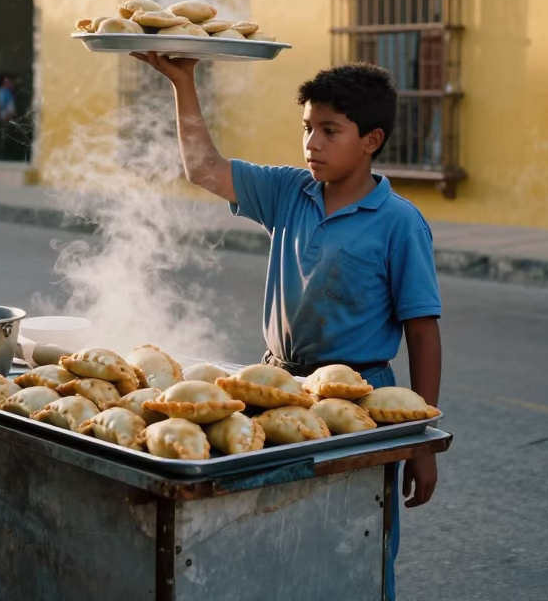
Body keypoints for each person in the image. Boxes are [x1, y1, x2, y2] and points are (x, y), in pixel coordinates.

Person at [132, 53, 441, 601]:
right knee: (275, 535)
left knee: (355, 540)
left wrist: (417, 439)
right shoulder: (288, 193)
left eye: (329, 130)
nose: (312, 144)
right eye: (307, 129)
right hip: (279, 390)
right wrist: (184, 82)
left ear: (371, 140)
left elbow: (422, 331)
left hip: (359, 405)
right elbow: (204, 167)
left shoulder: (399, 223)